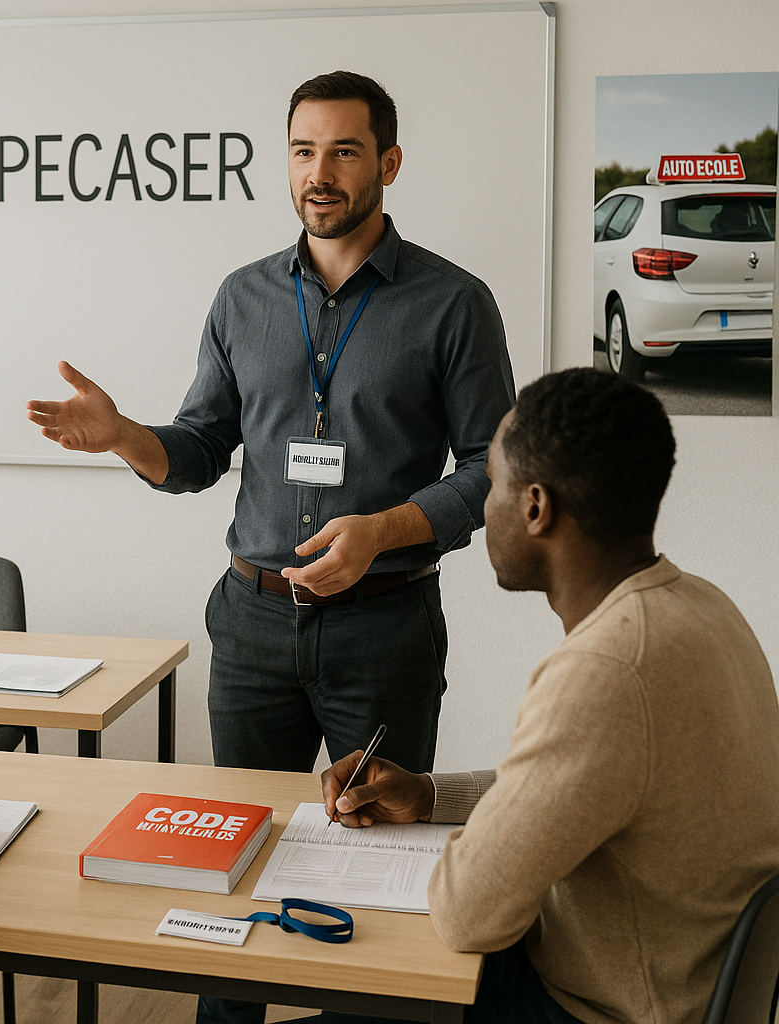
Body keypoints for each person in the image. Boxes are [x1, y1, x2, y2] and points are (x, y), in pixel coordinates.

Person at [27, 71, 514, 1024]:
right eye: (302, 151)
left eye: (342, 150)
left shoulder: (454, 303)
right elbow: (201, 450)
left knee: (380, 863)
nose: (318, 173)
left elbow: (490, 470)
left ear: (390, 163)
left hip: (384, 627)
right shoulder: (243, 296)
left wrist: (383, 530)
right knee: (229, 861)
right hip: (253, 623)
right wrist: (123, 433)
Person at [317, 368, 779, 1024]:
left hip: (597, 1008)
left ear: (535, 507)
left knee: (368, 979)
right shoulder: (701, 607)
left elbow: (465, 914)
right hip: (679, 986)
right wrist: (429, 794)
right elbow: (594, 787)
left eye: (494, 486)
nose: (483, 509)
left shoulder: (608, 670)